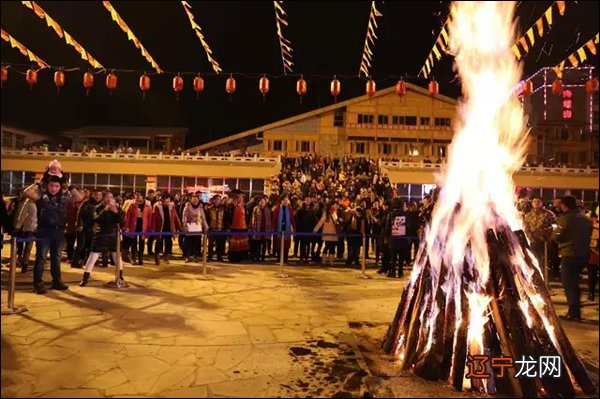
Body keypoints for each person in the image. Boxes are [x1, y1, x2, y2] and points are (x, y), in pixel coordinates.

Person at [30, 177, 82, 294]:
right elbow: (27, 193)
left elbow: (79, 198)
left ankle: (57, 281)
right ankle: (38, 283)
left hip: (59, 232)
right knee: (41, 259)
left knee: (56, 258)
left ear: (60, 187)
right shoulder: (41, 197)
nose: (54, 188)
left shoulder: (64, 198)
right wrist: (39, 183)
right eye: (51, 185)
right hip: (44, 231)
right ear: (47, 186)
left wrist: (68, 186)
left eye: (56, 186)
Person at [551, 195, 593, 321]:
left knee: (569, 284)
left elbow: (556, 237)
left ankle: (573, 313)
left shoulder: (566, 219)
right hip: (584, 254)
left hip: (570, 254)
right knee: (574, 283)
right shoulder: (586, 219)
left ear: (564, 205)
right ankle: (575, 311)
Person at [79, 191, 125, 286]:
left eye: (111, 197)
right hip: (101, 236)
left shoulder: (117, 208)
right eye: (107, 197)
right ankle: (85, 278)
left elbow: (121, 220)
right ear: (103, 199)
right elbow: (96, 218)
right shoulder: (98, 208)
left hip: (113, 236)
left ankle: (120, 276)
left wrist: (115, 211)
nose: (109, 199)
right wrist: (105, 210)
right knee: (93, 256)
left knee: (117, 257)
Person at [72, 189, 103, 268]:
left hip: (93, 228)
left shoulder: (102, 205)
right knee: (80, 245)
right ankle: (75, 262)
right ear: (92, 195)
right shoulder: (86, 203)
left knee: (91, 246)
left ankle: (87, 262)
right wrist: (80, 225)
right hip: (83, 228)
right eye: (96, 194)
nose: (97, 197)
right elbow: (80, 215)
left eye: (99, 195)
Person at [523, 196, 556, 270]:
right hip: (533, 241)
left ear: (542, 203)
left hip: (545, 241)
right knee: (534, 258)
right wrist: (529, 234)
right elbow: (525, 227)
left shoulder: (548, 214)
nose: (536, 203)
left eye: (538, 201)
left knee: (545, 259)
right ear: (532, 203)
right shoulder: (528, 215)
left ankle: (546, 275)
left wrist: (545, 232)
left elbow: (554, 226)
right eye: (534, 201)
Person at [14, 185, 39, 273]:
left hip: (40, 228)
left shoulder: (42, 202)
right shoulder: (28, 202)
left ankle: (38, 266)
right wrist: (17, 227)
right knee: (28, 247)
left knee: (39, 248)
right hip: (30, 228)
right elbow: (22, 215)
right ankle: (24, 264)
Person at [151, 192, 181, 265]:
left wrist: (180, 227)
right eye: (166, 201)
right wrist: (153, 228)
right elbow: (154, 218)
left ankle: (166, 257)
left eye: (168, 201)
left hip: (169, 228)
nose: (167, 202)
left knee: (168, 243)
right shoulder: (157, 206)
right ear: (162, 200)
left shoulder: (172, 206)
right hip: (160, 228)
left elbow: (175, 217)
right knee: (159, 243)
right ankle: (157, 257)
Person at [384, 198, 410, 278]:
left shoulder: (391, 214)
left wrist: (386, 237)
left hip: (393, 239)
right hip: (402, 239)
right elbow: (408, 226)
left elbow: (387, 227)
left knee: (393, 258)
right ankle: (400, 272)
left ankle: (392, 272)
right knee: (401, 258)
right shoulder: (405, 214)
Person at [124, 190, 152, 265]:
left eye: (138, 195)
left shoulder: (147, 205)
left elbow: (150, 217)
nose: (136, 196)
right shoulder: (132, 205)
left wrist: (150, 228)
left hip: (143, 226)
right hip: (133, 225)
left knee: (142, 242)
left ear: (142, 196)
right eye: (136, 195)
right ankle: (133, 257)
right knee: (133, 242)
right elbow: (128, 216)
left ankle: (140, 258)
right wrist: (126, 226)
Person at [181, 193, 209, 263]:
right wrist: (184, 224)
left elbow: (203, 217)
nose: (195, 201)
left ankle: (195, 256)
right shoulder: (187, 206)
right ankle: (187, 256)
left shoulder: (200, 207)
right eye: (193, 199)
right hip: (190, 227)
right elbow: (184, 216)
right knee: (188, 242)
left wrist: (205, 226)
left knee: (197, 242)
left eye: (196, 199)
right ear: (191, 199)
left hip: (197, 227)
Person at [227, 191, 250, 262]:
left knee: (242, 244)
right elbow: (228, 216)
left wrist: (248, 225)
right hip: (234, 227)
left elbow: (247, 216)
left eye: (242, 198)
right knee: (234, 244)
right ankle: (234, 257)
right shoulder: (232, 206)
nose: (241, 199)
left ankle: (242, 257)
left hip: (243, 227)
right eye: (239, 197)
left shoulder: (245, 206)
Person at [272, 196, 295, 263]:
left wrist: (293, 227)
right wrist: (273, 228)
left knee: (286, 245)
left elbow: (292, 219)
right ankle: (279, 258)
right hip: (279, 228)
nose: (285, 202)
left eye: (286, 200)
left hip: (287, 228)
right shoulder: (277, 208)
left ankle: (285, 258)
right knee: (279, 245)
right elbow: (274, 219)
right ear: (281, 201)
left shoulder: (290, 209)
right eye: (284, 200)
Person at [250, 198, 272, 262]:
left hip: (265, 229)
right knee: (258, 244)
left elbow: (269, 219)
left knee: (264, 244)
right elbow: (253, 219)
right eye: (261, 201)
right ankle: (257, 257)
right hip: (258, 229)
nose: (262, 203)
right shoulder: (256, 208)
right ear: (259, 202)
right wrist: (254, 227)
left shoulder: (267, 209)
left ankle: (263, 257)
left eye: (263, 202)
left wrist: (269, 228)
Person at [207, 195, 227, 262]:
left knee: (220, 244)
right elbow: (207, 219)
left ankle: (219, 257)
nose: (218, 201)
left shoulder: (223, 208)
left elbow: (226, 218)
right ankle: (210, 257)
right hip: (212, 229)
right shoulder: (209, 208)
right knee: (210, 245)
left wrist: (225, 227)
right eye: (217, 199)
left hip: (220, 229)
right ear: (214, 200)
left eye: (219, 199)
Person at [588, 205, 599, 301]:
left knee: (592, 271)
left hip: (593, 249)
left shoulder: (589, 222)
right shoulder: (590, 222)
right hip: (593, 249)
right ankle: (591, 292)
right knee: (592, 271)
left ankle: (591, 292)